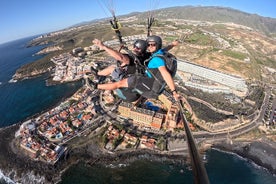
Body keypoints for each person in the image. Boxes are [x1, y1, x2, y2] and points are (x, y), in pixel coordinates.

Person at [89, 35, 180, 101]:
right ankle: (97, 74)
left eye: (152, 45)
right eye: (148, 45)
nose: (150, 47)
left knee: (118, 83)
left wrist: (174, 91)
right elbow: (165, 49)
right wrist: (173, 44)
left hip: (141, 80)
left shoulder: (154, 59)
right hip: (144, 78)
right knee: (112, 68)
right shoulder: (154, 54)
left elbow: (165, 73)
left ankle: (95, 86)